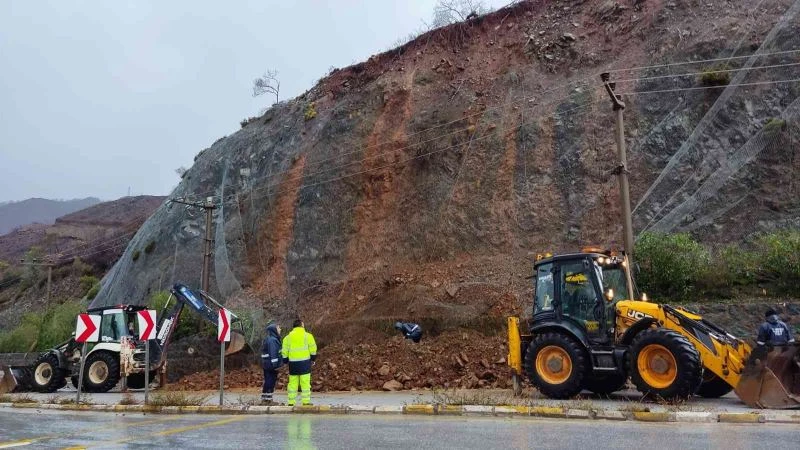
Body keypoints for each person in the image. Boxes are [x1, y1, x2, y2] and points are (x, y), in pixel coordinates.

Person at [281, 318, 317, 406]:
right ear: (302, 325)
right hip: (305, 363)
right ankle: (305, 402)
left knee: (293, 383)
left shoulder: (287, 338)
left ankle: (291, 402)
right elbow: (313, 348)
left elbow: (284, 351)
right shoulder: (308, 336)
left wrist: (285, 361)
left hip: (293, 364)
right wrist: (313, 359)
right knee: (305, 383)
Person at [260, 322, 283, 404]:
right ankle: (268, 400)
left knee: (267, 380)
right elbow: (273, 353)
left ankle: (265, 398)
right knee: (271, 380)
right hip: (271, 365)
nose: (280, 329)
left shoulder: (269, 339)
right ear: (274, 330)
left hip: (267, 363)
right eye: (278, 328)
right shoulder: (273, 340)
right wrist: (276, 365)